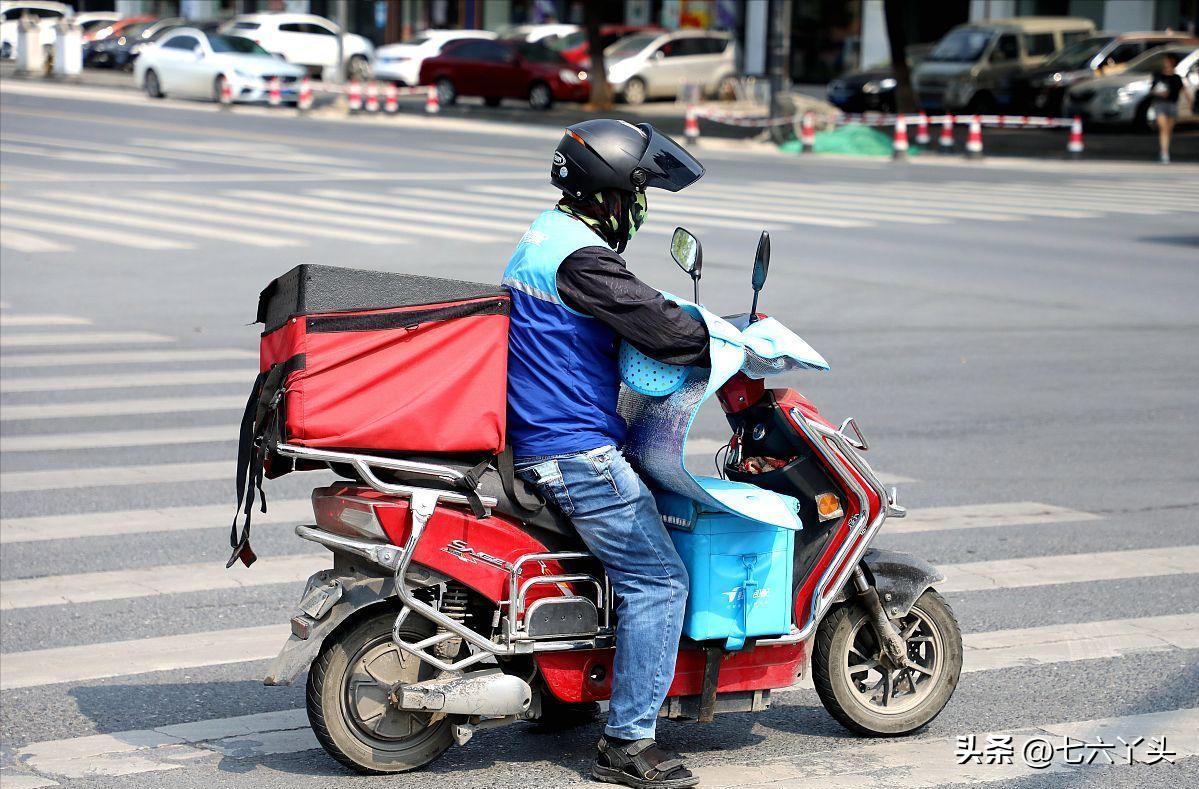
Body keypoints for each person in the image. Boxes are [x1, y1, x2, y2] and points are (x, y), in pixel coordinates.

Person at [502, 119, 709, 789]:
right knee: (660, 579)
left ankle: (561, 695)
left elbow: (632, 307)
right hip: (575, 451)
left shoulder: (548, 234)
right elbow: (660, 326)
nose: (643, 209)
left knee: (602, 567)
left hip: (542, 437)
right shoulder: (581, 258)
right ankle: (627, 740)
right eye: (640, 191)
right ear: (613, 193)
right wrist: (721, 336)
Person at [1148, 54, 1191, 164]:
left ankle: (1165, 151)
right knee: (1163, 128)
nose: (1166, 64)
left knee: (1168, 130)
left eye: (1168, 61)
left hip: (1172, 105)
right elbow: (1151, 90)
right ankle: (1164, 153)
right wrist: (1160, 93)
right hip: (1160, 104)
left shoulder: (1176, 78)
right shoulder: (1158, 76)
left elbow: (1183, 90)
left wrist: (1190, 102)